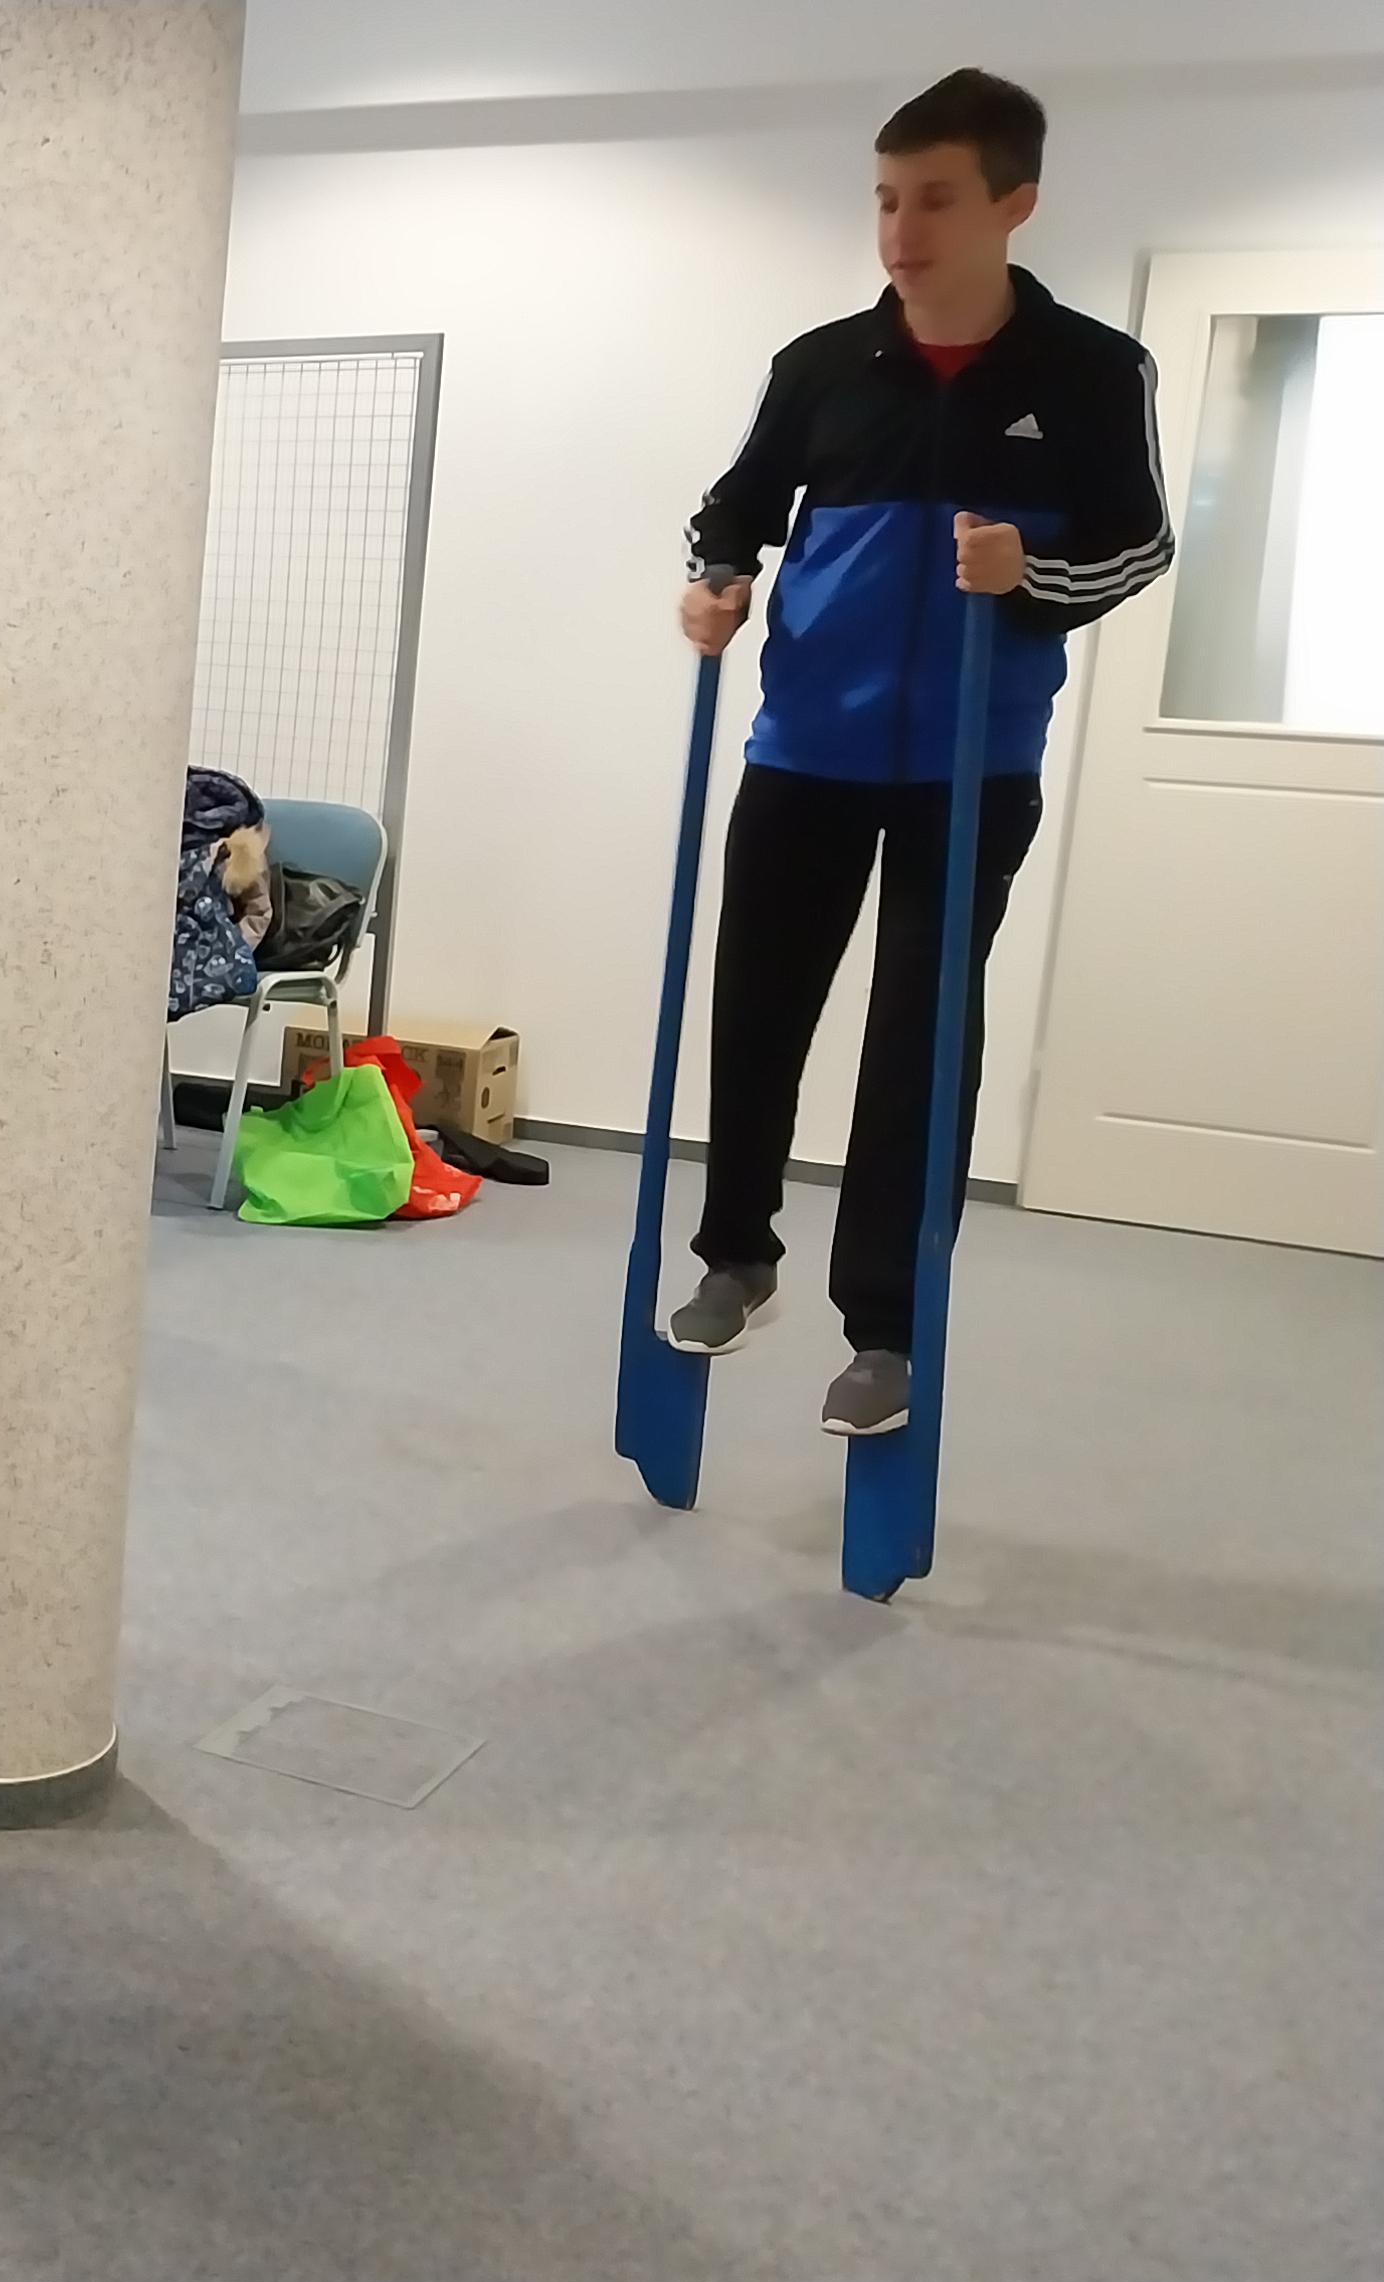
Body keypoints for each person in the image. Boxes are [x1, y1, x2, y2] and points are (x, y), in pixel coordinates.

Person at [669, 69, 1170, 1436]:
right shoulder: (821, 366)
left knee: (918, 1038)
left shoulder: (1091, 372)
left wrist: (1029, 575)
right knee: (757, 1007)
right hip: (805, 745)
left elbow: (1139, 545)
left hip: (971, 760)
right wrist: (717, 581)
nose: (901, 230)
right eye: (887, 199)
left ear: (1016, 204)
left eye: (935, 200)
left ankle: (884, 1327)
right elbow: (732, 508)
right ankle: (736, 1256)